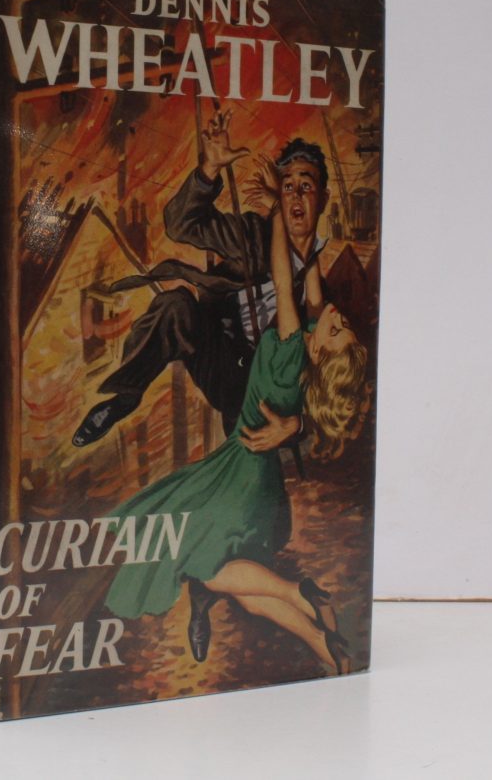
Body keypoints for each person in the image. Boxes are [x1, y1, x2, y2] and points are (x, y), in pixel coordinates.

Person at [102, 168, 369, 673]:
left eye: (338, 330)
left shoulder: (293, 343)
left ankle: (297, 592)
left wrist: (280, 217)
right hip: (245, 441)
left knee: (202, 560)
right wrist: (270, 207)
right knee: (242, 584)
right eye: (288, 189)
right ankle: (323, 644)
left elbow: (291, 283)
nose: (338, 319)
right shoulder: (308, 341)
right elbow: (309, 281)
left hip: (246, 459)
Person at [72, 110, 330, 450]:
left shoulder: (322, 285)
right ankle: (125, 397)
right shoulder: (253, 237)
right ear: (278, 196)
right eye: (288, 187)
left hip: (270, 392)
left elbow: (332, 375)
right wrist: (209, 171)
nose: (295, 195)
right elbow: (182, 224)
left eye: (306, 186)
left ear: (323, 199)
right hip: (225, 362)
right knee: (175, 305)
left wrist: (297, 425)